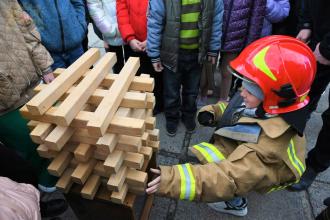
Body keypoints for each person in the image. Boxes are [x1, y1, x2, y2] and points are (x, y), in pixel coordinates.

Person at [145, 36, 316, 217]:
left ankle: (235, 203)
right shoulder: (264, 104)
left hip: (248, 170)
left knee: (236, 185)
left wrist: (172, 179)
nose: (241, 92)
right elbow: (236, 108)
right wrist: (214, 112)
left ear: (272, 98)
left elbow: (230, 178)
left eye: (249, 90)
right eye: (243, 85)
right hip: (243, 150)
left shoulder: (268, 149)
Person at [0, 0, 57, 190]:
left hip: (32, 82)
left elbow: (26, 29)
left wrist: (46, 67)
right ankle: (39, 197)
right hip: (5, 104)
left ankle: (55, 185)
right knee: (28, 148)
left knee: (51, 136)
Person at [147, 0, 223, 136]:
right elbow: (155, 22)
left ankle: (188, 115)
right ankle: (172, 117)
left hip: (197, 54)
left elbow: (216, 20)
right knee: (171, 92)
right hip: (171, 54)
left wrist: (213, 47)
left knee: (192, 91)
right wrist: (154, 54)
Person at [288, 0, 330, 191]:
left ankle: (314, 166)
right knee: (301, 99)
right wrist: (306, 24)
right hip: (317, 39)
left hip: (325, 46)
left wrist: (328, 48)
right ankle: (284, 147)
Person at [116, 0, 164, 115]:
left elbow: (164, 12)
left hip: (154, 41)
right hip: (133, 42)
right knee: (136, 76)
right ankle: (139, 105)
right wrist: (130, 37)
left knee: (156, 76)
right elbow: (122, 12)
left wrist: (152, 40)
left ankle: (157, 103)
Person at [218, 0, 266, 103]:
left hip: (236, 37)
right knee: (206, 68)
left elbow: (256, 19)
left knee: (227, 71)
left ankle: (222, 103)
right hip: (215, 31)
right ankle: (202, 99)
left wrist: (250, 47)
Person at [19, 0, 87, 69]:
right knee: (61, 79)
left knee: (86, 78)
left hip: (75, 44)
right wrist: (41, 33)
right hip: (50, 52)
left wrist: (80, 25)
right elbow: (22, 10)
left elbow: (78, 3)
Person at [87, 0, 125, 74]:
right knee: (117, 67)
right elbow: (95, 10)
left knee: (133, 66)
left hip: (130, 31)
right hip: (111, 33)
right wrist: (109, 31)